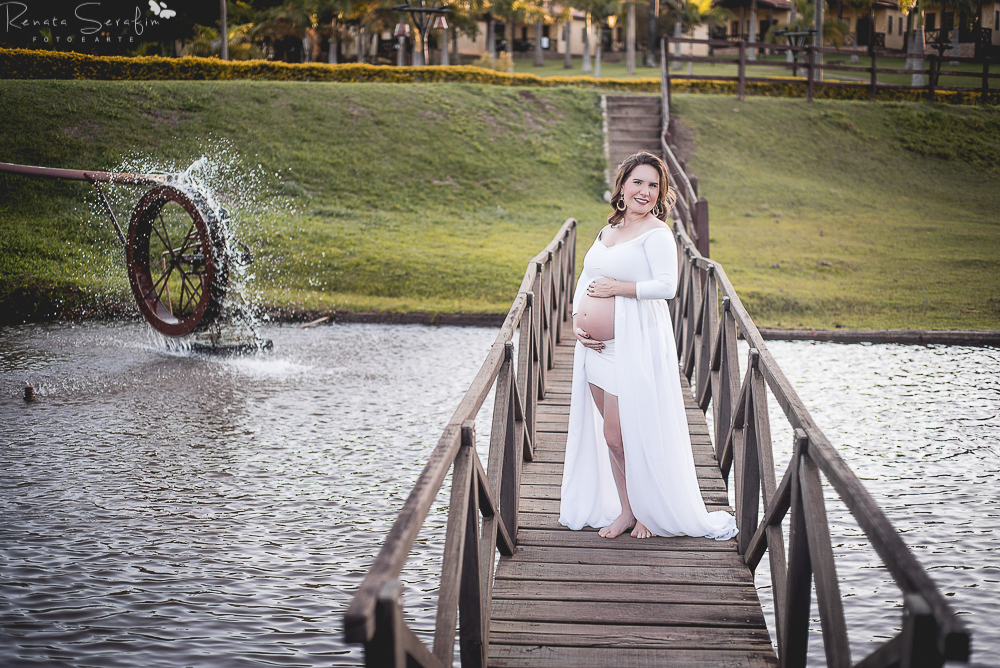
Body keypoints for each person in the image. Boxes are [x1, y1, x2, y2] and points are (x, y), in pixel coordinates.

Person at [559, 151, 738, 541]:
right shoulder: (609, 229)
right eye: (637, 182)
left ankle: (648, 513)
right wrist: (576, 318)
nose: (644, 191)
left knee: (622, 435)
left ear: (660, 193)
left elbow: (666, 286)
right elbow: (586, 276)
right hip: (595, 349)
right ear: (622, 185)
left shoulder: (657, 233)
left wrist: (617, 288)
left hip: (633, 345)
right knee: (614, 438)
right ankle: (627, 510)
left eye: (653, 185)